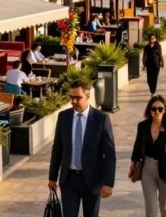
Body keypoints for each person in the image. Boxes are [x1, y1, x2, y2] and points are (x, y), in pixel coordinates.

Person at [48, 79, 116, 217]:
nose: (73, 101)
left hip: (92, 181)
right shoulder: (63, 117)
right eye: (71, 97)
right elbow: (58, 148)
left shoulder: (100, 119)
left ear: (88, 95)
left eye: (77, 98)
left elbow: (109, 153)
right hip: (69, 181)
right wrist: (52, 177)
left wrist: (108, 182)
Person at [131, 95, 166, 217]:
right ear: (149, 110)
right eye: (154, 109)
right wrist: (133, 163)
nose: (157, 111)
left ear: (165, 110)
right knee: (151, 208)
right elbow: (137, 146)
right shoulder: (142, 126)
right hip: (147, 169)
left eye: (160, 109)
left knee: (164, 206)